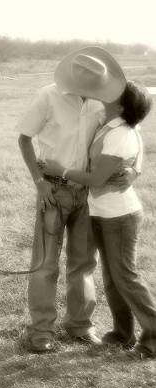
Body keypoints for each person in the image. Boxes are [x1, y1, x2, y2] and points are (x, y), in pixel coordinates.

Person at [16, 47, 136, 353]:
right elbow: (24, 138)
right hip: (53, 190)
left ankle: (80, 325)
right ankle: (40, 330)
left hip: (89, 191)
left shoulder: (104, 102)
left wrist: (134, 170)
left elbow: (130, 135)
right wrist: (39, 182)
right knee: (45, 264)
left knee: (83, 262)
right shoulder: (49, 96)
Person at [43, 74, 154, 359]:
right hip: (104, 214)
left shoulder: (119, 133)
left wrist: (61, 171)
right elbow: (138, 138)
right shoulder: (113, 124)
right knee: (112, 278)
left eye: (114, 93)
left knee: (125, 277)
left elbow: (96, 178)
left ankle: (154, 337)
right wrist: (136, 169)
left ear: (121, 103)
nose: (107, 93)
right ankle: (122, 334)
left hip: (119, 216)